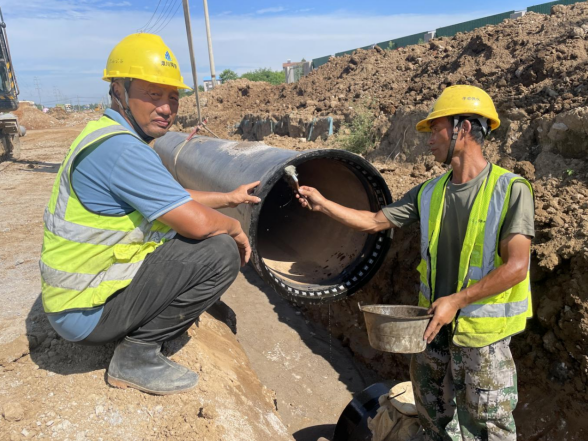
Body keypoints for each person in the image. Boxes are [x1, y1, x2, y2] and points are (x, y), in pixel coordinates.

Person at [296, 85, 534, 440]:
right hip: (432, 330)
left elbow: (516, 267)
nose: (429, 140)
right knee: (432, 420)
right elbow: (374, 221)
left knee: (488, 429)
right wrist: (323, 204)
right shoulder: (429, 192)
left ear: (464, 128)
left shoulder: (510, 189)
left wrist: (457, 301)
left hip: (482, 340)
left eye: (435, 129)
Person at [39, 33, 261, 395]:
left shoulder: (107, 134)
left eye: (172, 97)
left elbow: (171, 198)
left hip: (78, 298)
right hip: (84, 312)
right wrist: (235, 227)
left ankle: (164, 315)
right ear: (119, 91)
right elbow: (197, 222)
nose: (166, 108)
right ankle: (137, 356)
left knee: (182, 232)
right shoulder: (123, 150)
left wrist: (228, 197)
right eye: (153, 95)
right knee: (220, 250)